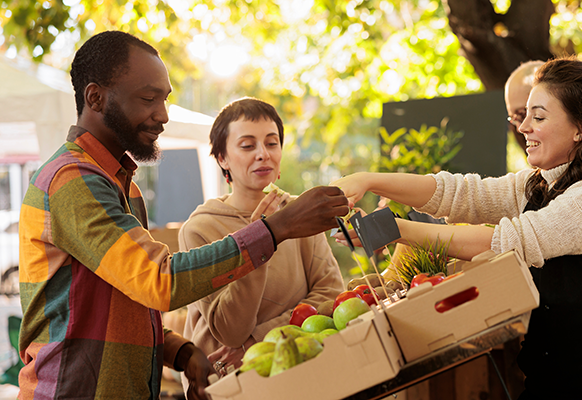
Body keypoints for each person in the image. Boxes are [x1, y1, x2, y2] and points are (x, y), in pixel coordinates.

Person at [17, 31, 348, 400]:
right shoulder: (71, 180)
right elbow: (159, 280)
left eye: (165, 99)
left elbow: (127, 296)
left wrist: (180, 351)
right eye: (148, 99)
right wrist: (274, 230)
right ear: (95, 97)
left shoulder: (122, 185)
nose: (163, 115)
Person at [332, 57, 582, 400]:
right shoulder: (540, 185)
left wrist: (393, 228)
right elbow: (461, 194)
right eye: (523, 115)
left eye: (538, 117)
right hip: (556, 381)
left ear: (581, 128)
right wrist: (369, 180)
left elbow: (505, 241)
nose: (523, 127)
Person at [178, 97, 345, 386]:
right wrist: (258, 241)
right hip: (230, 383)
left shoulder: (300, 213)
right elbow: (230, 332)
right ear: (222, 158)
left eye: (271, 143)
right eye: (247, 145)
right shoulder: (200, 229)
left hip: (301, 370)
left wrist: (258, 340)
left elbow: (331, 293)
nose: (263, 154)